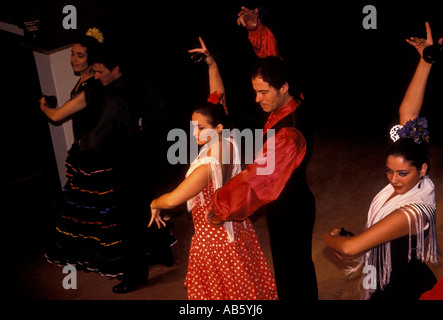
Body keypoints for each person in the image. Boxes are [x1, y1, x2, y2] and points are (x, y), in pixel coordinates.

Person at [149, 37, 278, 300]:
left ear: (217, 128)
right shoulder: (228, 136)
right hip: (238, 231)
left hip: (215, 242)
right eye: (193, 127)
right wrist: (210, 63)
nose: (194, 133)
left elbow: (174, 198)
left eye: (201, 128)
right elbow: (218, 96)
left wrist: (155, 202)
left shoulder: (207, 167)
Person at [324, 22, 442, 300]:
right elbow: (408, 110)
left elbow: (350, 248)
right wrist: (426, 60)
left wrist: (330, 240)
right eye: (389, 171)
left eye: (402, 173)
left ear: (422, 169)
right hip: (389, 273)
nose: (393, 180)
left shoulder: (412, 212)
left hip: (399, 287)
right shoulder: (416, 183)